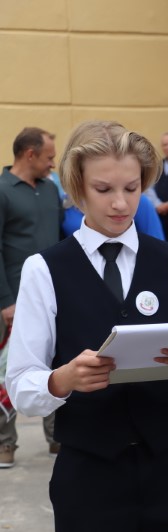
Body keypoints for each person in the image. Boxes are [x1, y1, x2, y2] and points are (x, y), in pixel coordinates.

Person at [6, 120, 168, 532]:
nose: (121, 203)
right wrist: (62, 380)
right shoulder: (44, 270)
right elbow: (21, 383)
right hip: (90, 475)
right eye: (104, 189)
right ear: (77, 187)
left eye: (132, 188)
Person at [0, 127, 62, 466]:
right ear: (29, 154)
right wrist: (5, 301)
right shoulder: (2, 191)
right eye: (49, 157)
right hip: (11, 299)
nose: (53, 163)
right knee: (5, 372)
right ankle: (5, 443)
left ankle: (57, 438)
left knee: (55, 364)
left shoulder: (51, 190)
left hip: (51, 296)